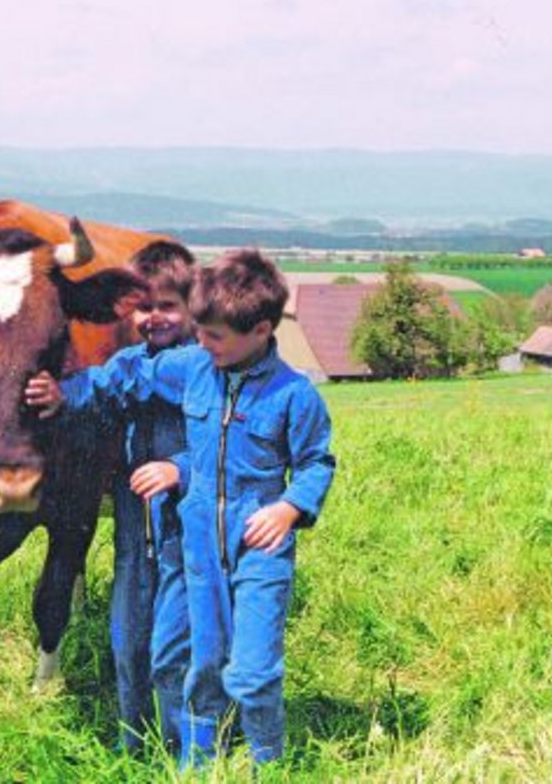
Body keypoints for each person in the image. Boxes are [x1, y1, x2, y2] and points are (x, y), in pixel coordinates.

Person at [26, 249, 335, 768]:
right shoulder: (195, 367)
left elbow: (309, 463)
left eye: (213, 335)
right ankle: (183, 762)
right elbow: (124, 376)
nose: (204, 343)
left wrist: (286, 508)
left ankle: (263, 763)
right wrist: (66, 392)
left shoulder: (293, 394)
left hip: (244, 541)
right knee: (178, 656)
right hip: (192, 545)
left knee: (239, 668)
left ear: (260, 331)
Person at [42, 241, 196, 755]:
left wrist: (180, 469)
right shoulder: (129, 362)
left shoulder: (207, 368)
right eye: (144, 308)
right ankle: (134, 745)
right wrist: (60, 395)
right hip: (134, 538)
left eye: (168, 305)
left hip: (186, 538)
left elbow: (229, 450)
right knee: (127, 644)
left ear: (194, 306)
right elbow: (100, 386)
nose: (154, 318)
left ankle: (183, 752)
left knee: (174, 649)